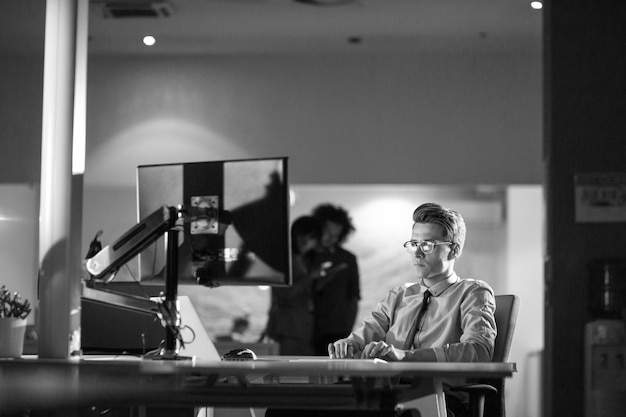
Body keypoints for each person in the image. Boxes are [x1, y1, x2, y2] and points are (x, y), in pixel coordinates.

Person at [328, 202, 497, 417]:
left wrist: (405, 356)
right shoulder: (400, 295)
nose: (417, 253)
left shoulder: (473, 292)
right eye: (413, 244)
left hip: (440, 398)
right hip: (386, 393)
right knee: (290, 410)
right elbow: (363, 336)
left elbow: (478, 351)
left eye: (427, 245)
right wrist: (349, 344)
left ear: (453, 250)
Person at [265, 216, 323, 355]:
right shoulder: (284, 258)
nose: (307, 243)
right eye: (303, 238)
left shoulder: (305, 259)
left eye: (311, 239)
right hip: (287, 328)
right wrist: (310, 277)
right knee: (288, 372)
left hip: (302, 328)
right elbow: (283, 294)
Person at [310, 204, 361, 356]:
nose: (330, 238)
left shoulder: (348, 259)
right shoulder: (306, 256)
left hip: (339, 328)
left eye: (335, 235)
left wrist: (348, 330)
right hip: (310, 329)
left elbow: (354, 296)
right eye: (327, 232)